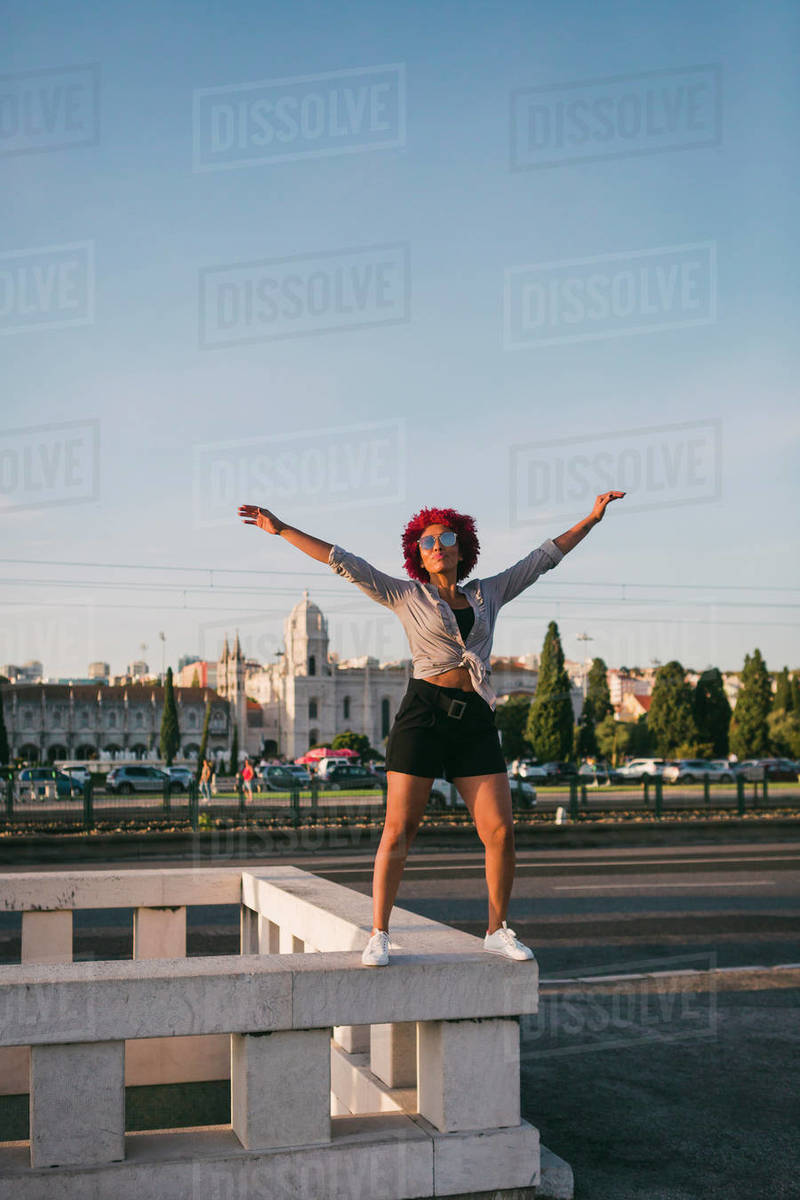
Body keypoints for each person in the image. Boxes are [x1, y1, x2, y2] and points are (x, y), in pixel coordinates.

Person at [239, 491, 624, 967]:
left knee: (501, 831)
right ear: (417, 555)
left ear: (462, 548)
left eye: (446, 538)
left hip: (475, 716)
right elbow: (343, 562)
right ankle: (379, 932)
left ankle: (496, 929)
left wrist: (590, 518)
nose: (437, 546)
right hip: (423, 713)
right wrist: (282, 529)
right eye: (427, 541)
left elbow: (543, 559)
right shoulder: (405, 594)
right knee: (399, 829)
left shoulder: (490, 593)